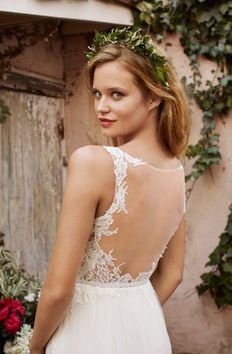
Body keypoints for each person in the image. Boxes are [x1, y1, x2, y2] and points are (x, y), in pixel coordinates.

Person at [29, 27, 191, 354]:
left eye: (117, 94)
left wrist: (34, 348)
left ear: (153, 97)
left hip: (84, 334)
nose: (102, 106)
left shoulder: (92, 162)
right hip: (146, 331)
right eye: (97, 94)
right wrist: (130, 315)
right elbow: (172, 274)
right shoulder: (176, 172)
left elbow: (59, 289)